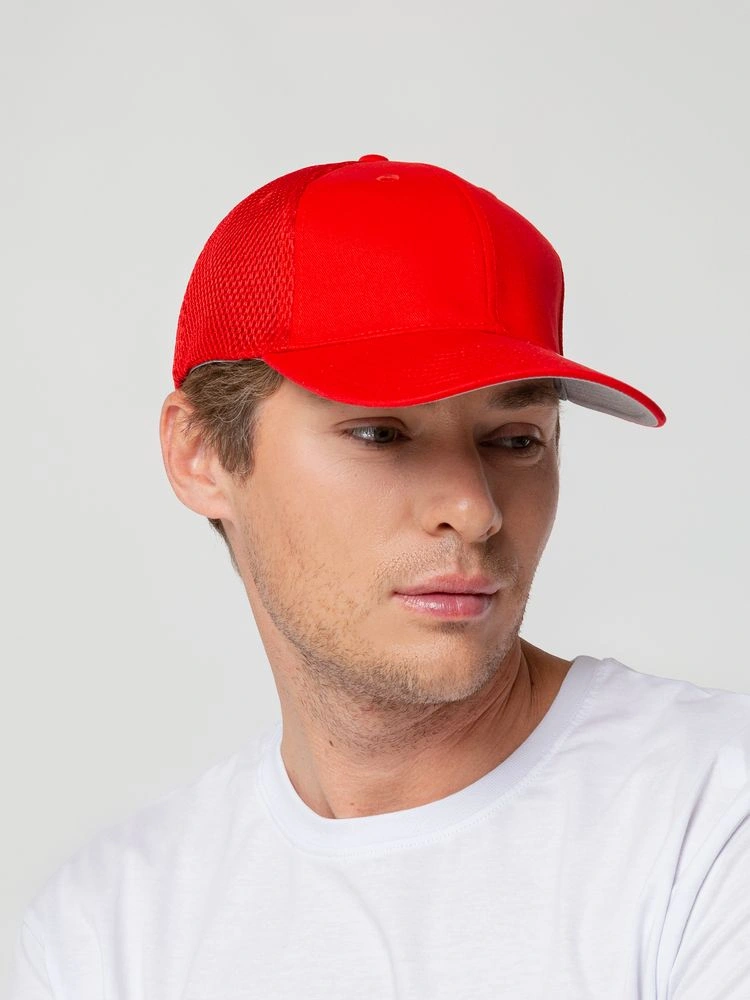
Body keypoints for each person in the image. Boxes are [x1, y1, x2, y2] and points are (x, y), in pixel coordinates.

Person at [9, 154, 749, 999]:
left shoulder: (712, 817)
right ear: (202, 453)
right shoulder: (107, 931)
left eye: (516, 440)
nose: (474, 509)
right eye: (380, 434)